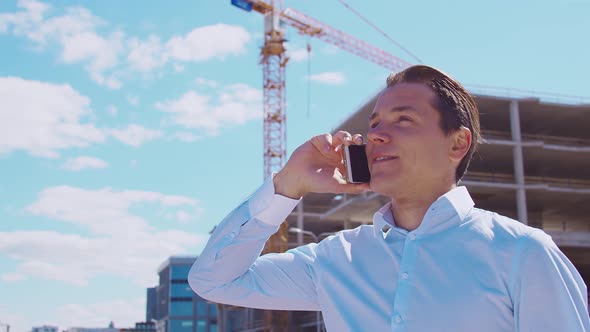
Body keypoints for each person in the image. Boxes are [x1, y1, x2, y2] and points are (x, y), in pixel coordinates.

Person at [188, 65, 590, 331]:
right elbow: (215, 281)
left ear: (457, 143)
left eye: (403, 120)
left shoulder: (522, 252)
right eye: (375, 123)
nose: (376, 134)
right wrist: (286, 186)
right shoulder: (335, 258)